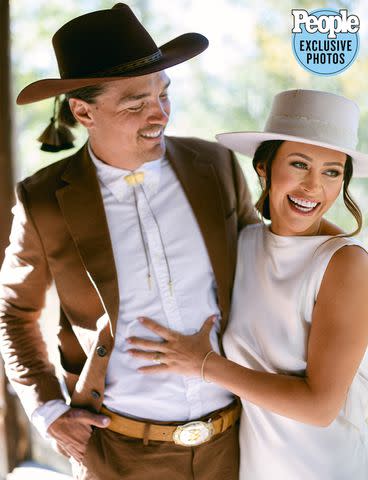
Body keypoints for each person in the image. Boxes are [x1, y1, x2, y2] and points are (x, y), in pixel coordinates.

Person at [0, 4, 258, 480]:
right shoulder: (43, 200)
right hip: (117, 454)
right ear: (82, 111)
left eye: (164, 95)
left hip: (238, 443)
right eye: (135, 104)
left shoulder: (216, 167)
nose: (158, 114)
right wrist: (47, 409)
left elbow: (265, 266)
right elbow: (14, 312)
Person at [127, 89, 368, 479]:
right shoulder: (246, 242)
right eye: (300, 164)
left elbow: (320, 407)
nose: (313, 187)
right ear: (264, 167)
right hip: (258, 467)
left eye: (331, 172)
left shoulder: (346, 263)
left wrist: (204, 364)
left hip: (326, 467)